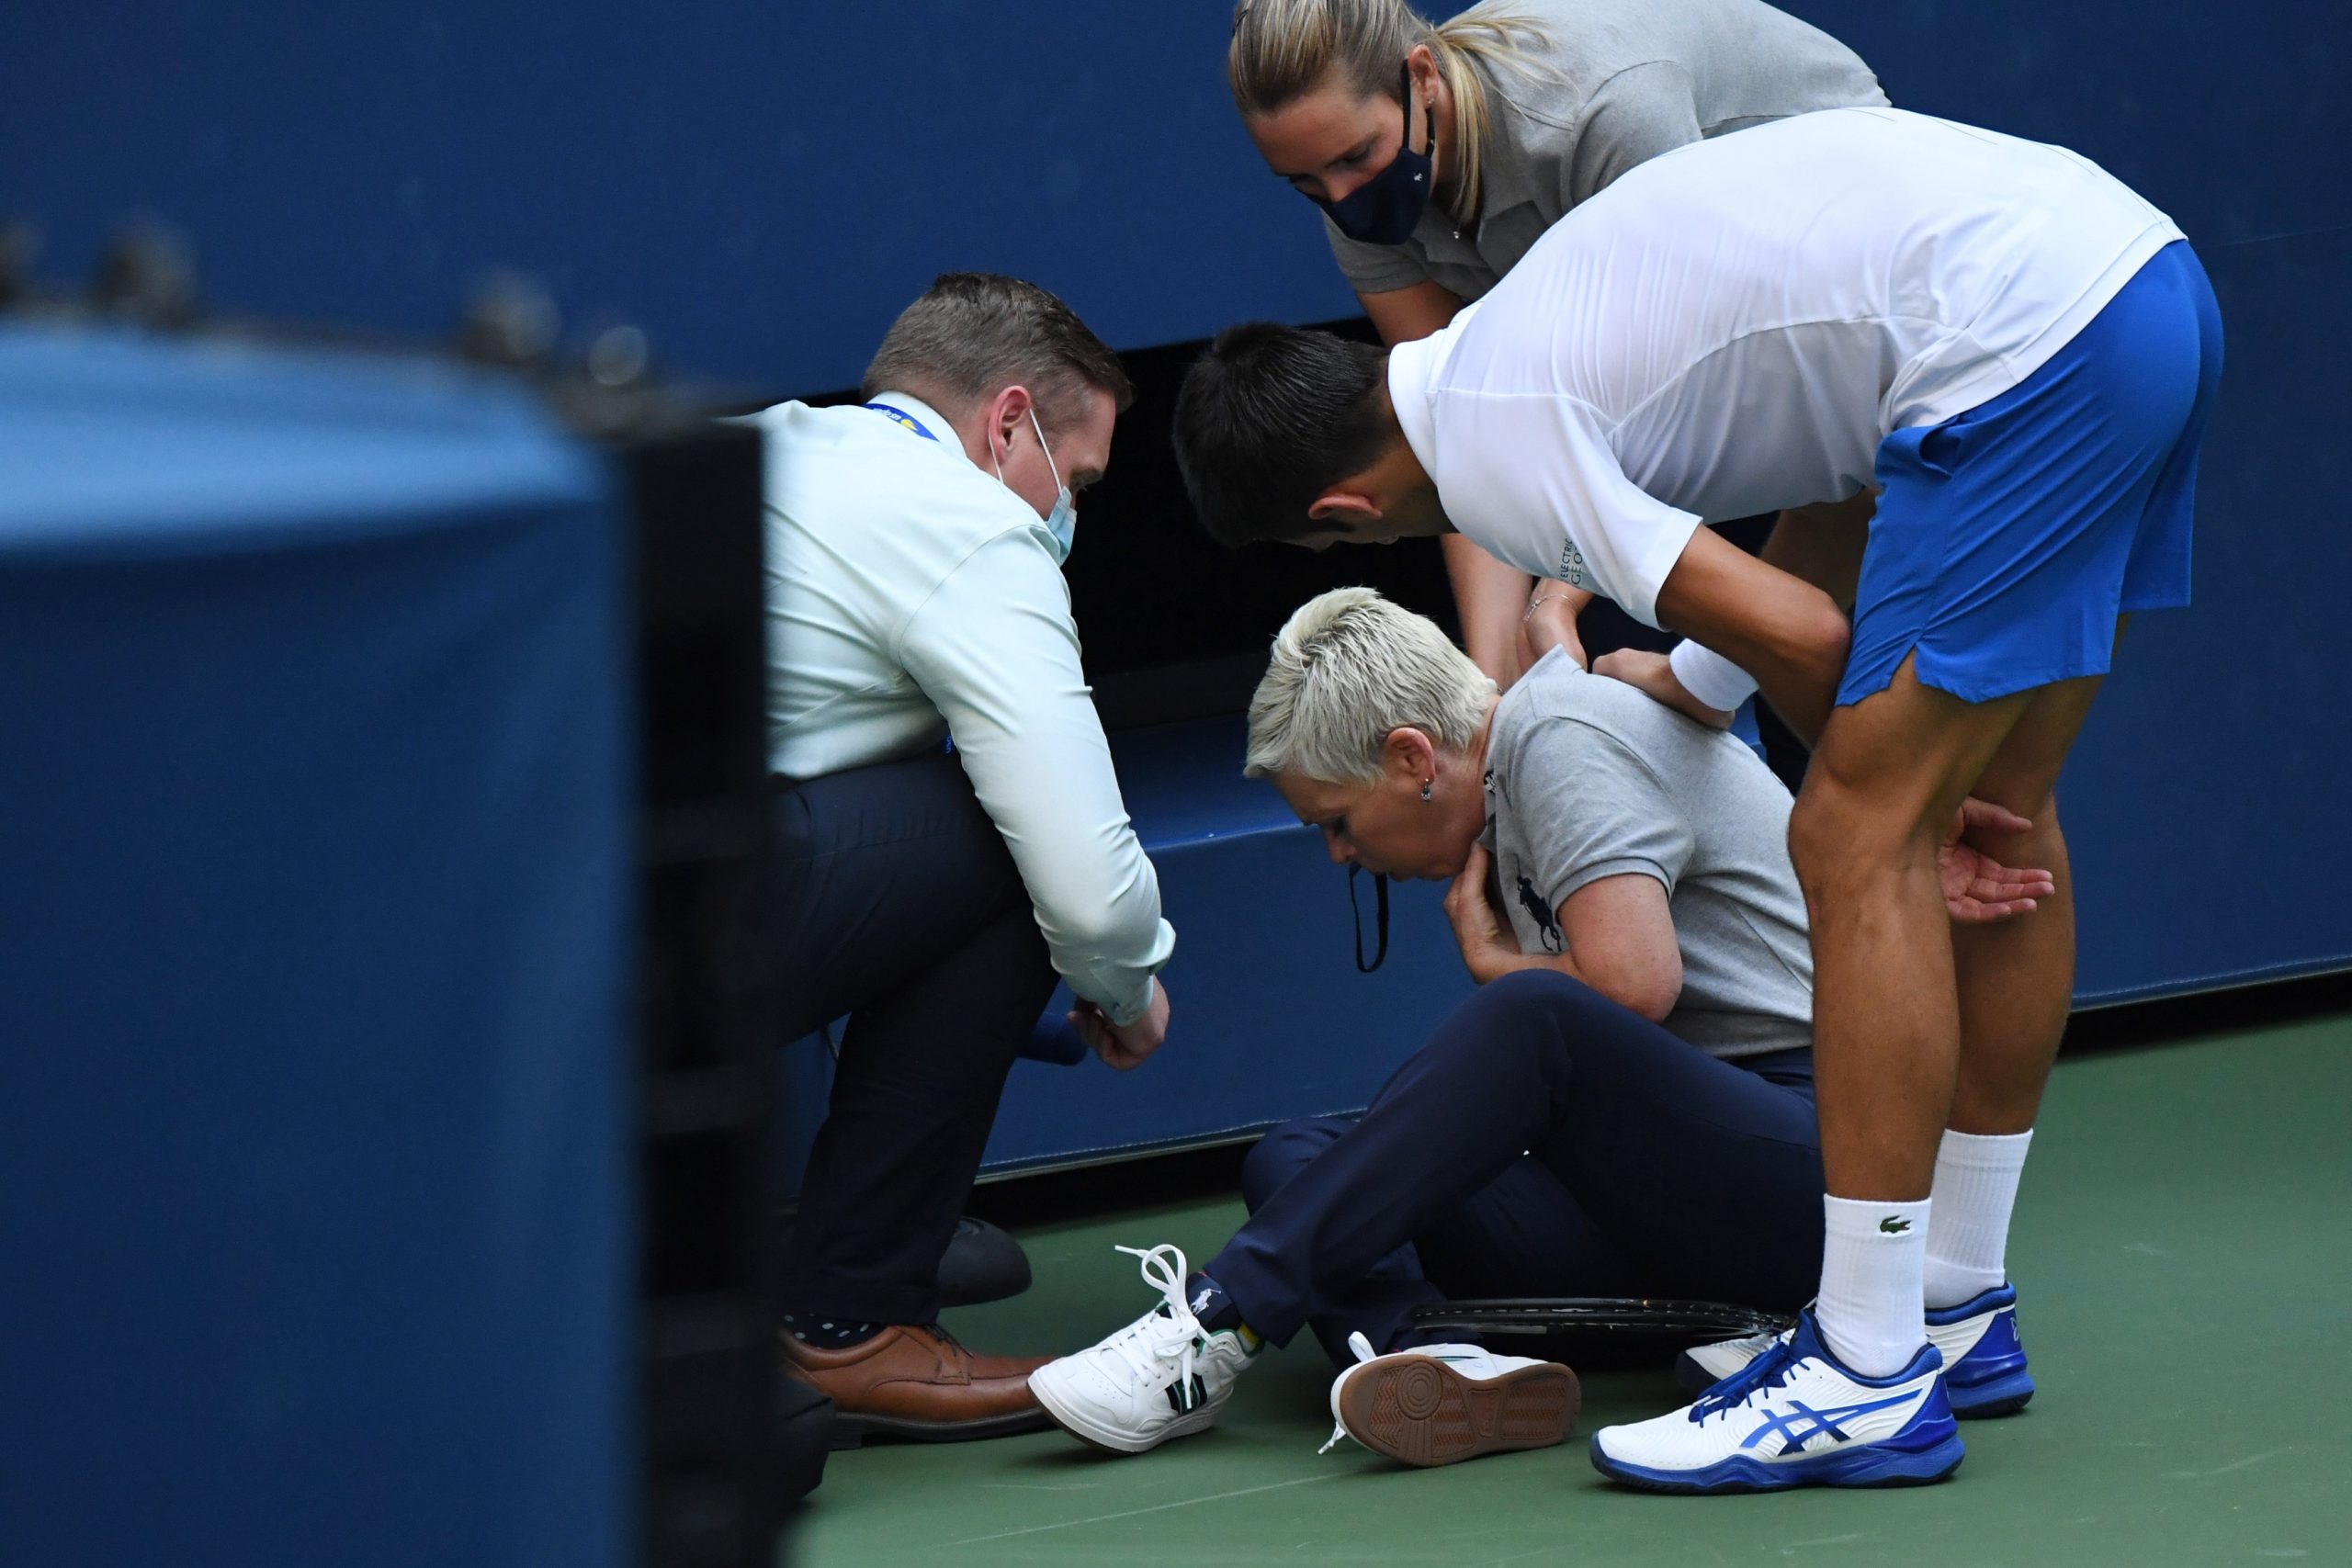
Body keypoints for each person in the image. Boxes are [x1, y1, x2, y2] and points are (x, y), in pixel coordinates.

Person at [1170, 107, 2221, 1490]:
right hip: (2137, 281)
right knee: (2010, 808)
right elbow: (1842, 479)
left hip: (2026, 344)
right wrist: (1709, 682)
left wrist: (1882, 803)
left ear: (1344, 516)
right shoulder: (1494, 347)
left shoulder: (1490, 449)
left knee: (1851, 827)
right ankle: (1955, 1302)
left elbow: (1811, 632)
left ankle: (1863, 1366)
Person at [1024, 589, 2049, 1466]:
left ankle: (1215, 1324)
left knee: (1533, 1013)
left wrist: (1496, 965)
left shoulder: (1553, 737)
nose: (1339, 855)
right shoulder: (1515, 764)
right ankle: (1446, 1367)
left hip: (1819, 1164)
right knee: (1299, 1154)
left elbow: (1634, 985)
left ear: (1412, 755)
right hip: (1674, 1203)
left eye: (1335, 820)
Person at [760, 273, 1178, 1441]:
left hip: (498, 915)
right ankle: (851, 1323)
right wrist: (1125, 990)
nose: (1069, 517)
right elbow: (1088, 895)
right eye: (1077, 480)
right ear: (1006, 424)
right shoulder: (974, 524)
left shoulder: (760, 446)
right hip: (626, 946)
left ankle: (832, 1255)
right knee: (1011, 841)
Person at [1227, 0, 1884, 686]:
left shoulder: (1599, 116)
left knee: (1812, 658)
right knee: (1575, 658)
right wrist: (1490, 688)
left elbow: (1680, 395)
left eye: (1357, 156)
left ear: (1421, 78)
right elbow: (1453, 439)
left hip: (1851, 264)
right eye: (1306, 184)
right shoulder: (1357, 196)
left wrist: (1558, 592)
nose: (1341, 198)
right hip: (1700, 362)